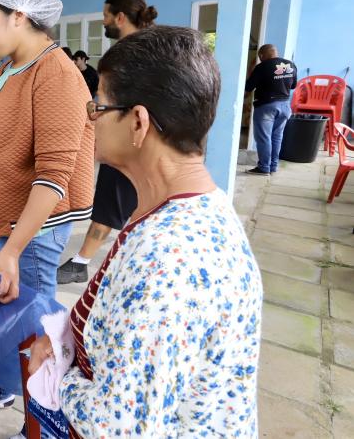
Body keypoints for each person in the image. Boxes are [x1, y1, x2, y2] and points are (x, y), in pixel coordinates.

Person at [27, 26, 263, 437]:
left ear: (138, 122)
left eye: (97, 107)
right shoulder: (189, 204)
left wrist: (54, 375)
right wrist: (69, 334)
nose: (90, 120)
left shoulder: (168, 259)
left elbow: (118, 425)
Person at [0, 0, 94, 419]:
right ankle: (7, 386)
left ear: (20, 16)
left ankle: (40, 416)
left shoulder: (54, 74)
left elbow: (55, 174)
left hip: (27, 232)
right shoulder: (10, 67)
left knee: (34, 323)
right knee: (8, 314)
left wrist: (13, 249)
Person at [57, 0, 157, 285]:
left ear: (120, 17)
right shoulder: (150, 47)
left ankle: (81, 262)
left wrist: (101, 110)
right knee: (133, 200)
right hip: (136, 135)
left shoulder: (131, 52)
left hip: (129, 137)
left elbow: (130, 97)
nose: (103, 22)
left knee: (112, 199)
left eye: (105, 16)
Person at [245, 44, 297, 175]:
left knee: (264, 138)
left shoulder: (262, 67)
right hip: (285, 106)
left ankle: (263, 167)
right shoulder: (290, 65)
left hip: (266, 106)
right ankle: (273, 166)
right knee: (277, 138)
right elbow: (293, 85)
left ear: (262, 55)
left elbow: (249, 87)